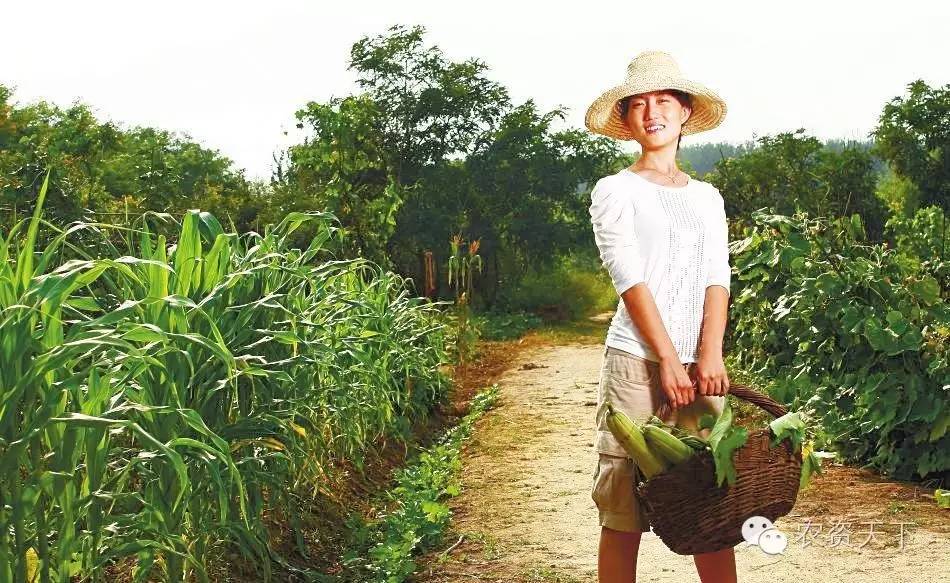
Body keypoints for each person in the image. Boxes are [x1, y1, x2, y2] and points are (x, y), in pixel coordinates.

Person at [584, 51, 737, 583]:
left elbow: (717, 277)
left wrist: (709, 353)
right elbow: (630, 280)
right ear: (626, 119)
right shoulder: (615, 191)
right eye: (640, 104)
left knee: (711, 510)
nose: (652, 112)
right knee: (624, 511)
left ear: (684, 111)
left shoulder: (707, 197)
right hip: (636, 365)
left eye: (664, 100)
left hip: (701, 367)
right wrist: (668, 359)